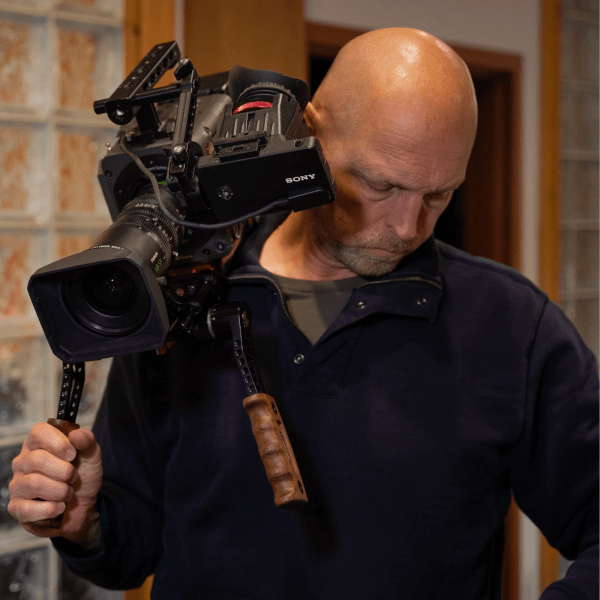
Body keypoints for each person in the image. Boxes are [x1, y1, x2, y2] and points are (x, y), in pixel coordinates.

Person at [8, 28, 599, 599]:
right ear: (307, 131)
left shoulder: (511, 327)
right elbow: (129, 552)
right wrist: (83, 521)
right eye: (381, 185)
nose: (406, 227)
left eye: (439, 195)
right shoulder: (184, 298)